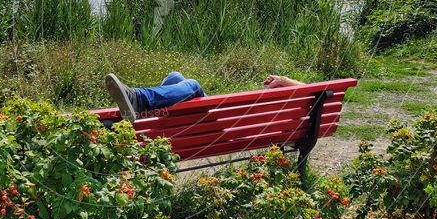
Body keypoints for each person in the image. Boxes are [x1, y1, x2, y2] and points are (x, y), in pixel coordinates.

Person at [105, 71, 303, 122]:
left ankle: (139, 100)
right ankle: (145, 109)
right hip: (233, 119)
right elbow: (310, 88)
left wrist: (282, 79)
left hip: (223, 122)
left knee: (192, 85)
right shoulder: (308, 100)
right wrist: (282, 82)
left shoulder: (294, 95)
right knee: (175, 77)